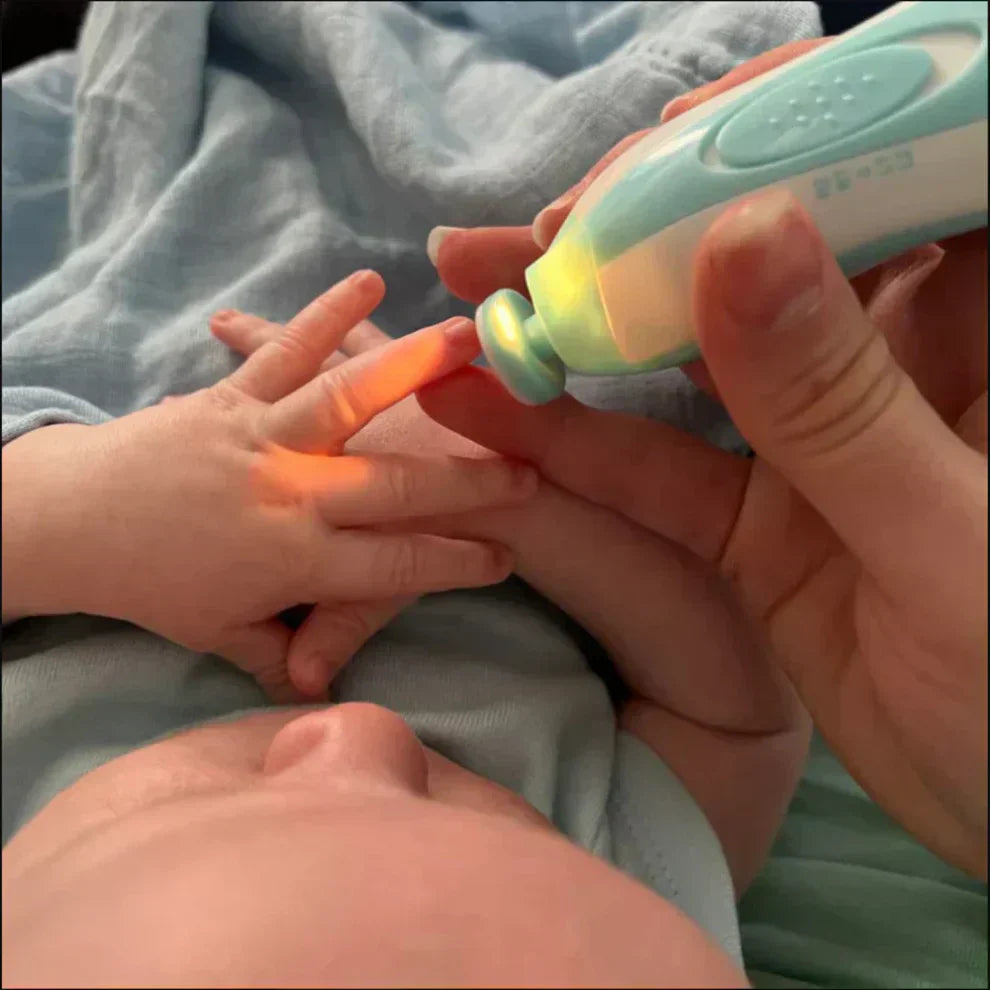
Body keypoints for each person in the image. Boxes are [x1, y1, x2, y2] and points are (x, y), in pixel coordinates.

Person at [3, 41, 986, 990]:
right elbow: (739, 718)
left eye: (218, 823)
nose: (359, 734)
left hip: (112, 408)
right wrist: (511, 505)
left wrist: (81, 513)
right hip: (570, 456)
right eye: (478, 815)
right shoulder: (640, 898)